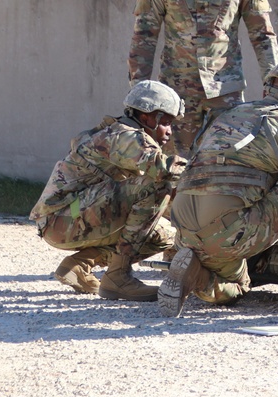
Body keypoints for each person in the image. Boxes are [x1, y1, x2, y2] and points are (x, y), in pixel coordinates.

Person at [158, 57, 278, 318]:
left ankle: (196, 275)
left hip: (185, 229)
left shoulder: (226, 116)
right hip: (228, 232)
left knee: (237, 286)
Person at [129, 0, 278, 158]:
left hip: (224, 96)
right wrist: (139, 93)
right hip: (176, 96)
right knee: (173, 167)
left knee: (225, 163)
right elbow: (143, 39)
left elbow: (263, 37)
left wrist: (275, 87)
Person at [30, 81, 187, 301]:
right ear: (146, 117)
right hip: (63, 219)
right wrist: (212, 166)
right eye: (166, 122)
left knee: (166, 237)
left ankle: (79, 265)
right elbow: (163, 169)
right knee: (157, 184)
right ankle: (118, 277)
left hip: (69, 217)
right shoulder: (125, 137)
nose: (170, 131)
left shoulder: (121, 133)